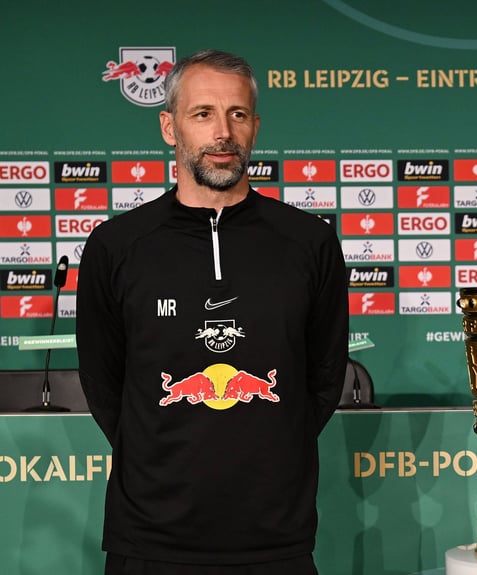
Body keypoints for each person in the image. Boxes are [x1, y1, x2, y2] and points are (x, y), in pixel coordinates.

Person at [77, 49, 349, 574]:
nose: (222, 132)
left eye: (237, 114)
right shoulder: (117, 245)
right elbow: (103, 384)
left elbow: (322, 380)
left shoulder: (309, 242)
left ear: (255, 127)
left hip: (277, 542)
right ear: (169, 127)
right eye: (202, 114)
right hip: (150, 542)